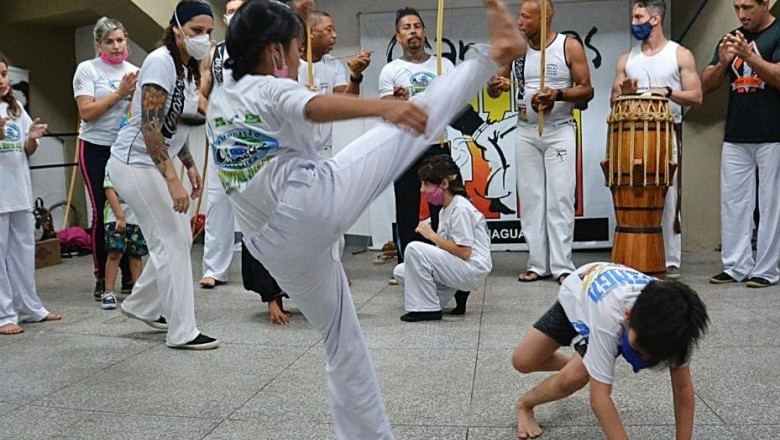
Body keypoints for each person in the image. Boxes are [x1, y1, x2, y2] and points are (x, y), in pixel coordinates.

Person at [207, 0, 522, 437]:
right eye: (297, 47)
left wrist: (295, 16)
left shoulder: (222, 96)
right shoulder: (271, 89)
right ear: (276, 52)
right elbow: (313, 105)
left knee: (343, 341)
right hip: (307, 207)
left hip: (271, 246)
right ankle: (494, 54)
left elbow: (286, 85)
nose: (301, 56)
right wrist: (384, 108)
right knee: (403, 130)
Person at [107, 0, 219, 349]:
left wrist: (187, 165)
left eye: (209, 33)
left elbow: (175, 126)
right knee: (170, 241)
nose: (203, 38)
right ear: (176, 29)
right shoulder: (160, 63)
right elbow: (150, 129)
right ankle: (182, 331)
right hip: (133, 163)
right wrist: (173, 182)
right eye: (196, 31)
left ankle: (142, 304)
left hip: (155, 161)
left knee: (180, 239)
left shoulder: (185, 70)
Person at [511, 262, 709, 439]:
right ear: (628, 316)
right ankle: (525, 404)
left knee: (576, 376)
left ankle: (577, 372)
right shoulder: (612, 319)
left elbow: (682, 388)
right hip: (578, 293)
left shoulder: (679, 326)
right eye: (638, 350)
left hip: (609, 306)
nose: (644, 358)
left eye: (654, 357)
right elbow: (599, 399)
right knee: (523, 361)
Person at [488, 0, 593, 285]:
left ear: (544, 18)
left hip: (559, 130)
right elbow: (496, 87)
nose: (520, 22)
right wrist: (495, 86)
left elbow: (586, 90)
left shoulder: (568, 46)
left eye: (525, 17)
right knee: (532, 199)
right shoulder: (517, 51)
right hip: (525, 131)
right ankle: (537, 263)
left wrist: (557, 95)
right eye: (519, 17)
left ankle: (562, 266)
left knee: (559, 198)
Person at [611, 0, 702, 280]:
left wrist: (668, 92)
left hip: (665, 134)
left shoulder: (680, 55)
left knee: (667, 195)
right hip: (632, 138)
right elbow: (613, 100)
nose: (634, 22)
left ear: (655, 19)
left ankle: (669, 259)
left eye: (639, 17)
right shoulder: (627, 59)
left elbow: (696, 96)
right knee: (633, 195)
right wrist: (623, 93)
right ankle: (635, 252)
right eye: (633, 17)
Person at [702, 0, 780, 288]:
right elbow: (706, 84)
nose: (741, 14)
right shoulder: (732, 38)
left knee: (771, 203)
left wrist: (750, 57)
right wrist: (723, 62)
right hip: (736, 132)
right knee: (733, 201)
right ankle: (736, 265)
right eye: (736, 8)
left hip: (772, 133)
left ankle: (767, 270)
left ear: (765, 4)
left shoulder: (777, 33)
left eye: (747, 7)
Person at [73, 17, 139, 300]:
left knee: (130, 211)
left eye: (120, 40)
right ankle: (102, 277)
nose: (116, 46)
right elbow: (86, 112)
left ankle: (128, 275)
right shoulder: (87, 70)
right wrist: (119, 93)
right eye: (109, 41)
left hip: (125, 149)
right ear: (99, 44)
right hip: (96, 147)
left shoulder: (135, 71)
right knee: (104, 212)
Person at [0, 57, 62, 335]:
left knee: (23, 252)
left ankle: (30, 307)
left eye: (4, 74)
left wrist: (32, 137)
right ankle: (4, 314)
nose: (2, 80)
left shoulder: (16, 108)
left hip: (19, 192)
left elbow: (26, 150)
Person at [392, 155, 492, 322]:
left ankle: (427, 310)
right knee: (401, 271)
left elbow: (465, 252)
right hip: (460, 266)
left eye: (427, 184)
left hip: (471, 268)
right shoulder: (445, 209)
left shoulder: (460, 209)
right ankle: (436, 300)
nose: (422, 190)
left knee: (414, 249)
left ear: (444, 184)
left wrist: (431, 235)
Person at [197, 0, 244, 290]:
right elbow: (202, 94)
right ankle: (214, 268)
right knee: (217, 203)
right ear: (225, 19)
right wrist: (214, 114)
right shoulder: (214, 53)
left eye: (241, 9)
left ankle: (272, 270)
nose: (235, 15)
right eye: (230, 11)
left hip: (255, 139)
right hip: (221, 140)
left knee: (262, 205)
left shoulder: (262, 49)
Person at [298, 10, 371, 158]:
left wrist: (356, 75)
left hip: (323, 151)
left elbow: (346, 104)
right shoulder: (288, 64)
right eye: (329, 30)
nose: (335, 35)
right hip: (292, 151)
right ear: (310, 32)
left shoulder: (333, 64)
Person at [101, 170, 148, 310]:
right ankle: (108, 291)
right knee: (115, 252)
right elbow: (109, 190)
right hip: (114, 217)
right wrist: (120, 217)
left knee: (136, 254)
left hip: (136, 218)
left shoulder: (140, 166)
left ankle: (138, 292)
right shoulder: (113, 165)